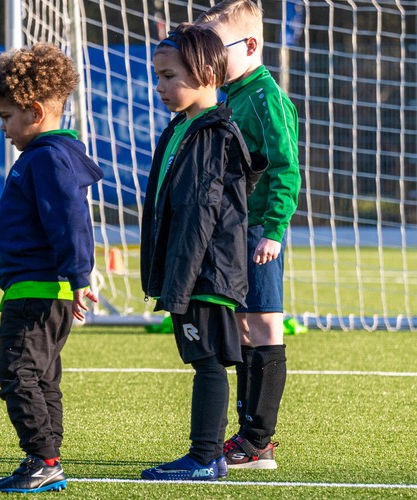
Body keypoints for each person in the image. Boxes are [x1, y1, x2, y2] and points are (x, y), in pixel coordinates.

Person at [0, 44, 102, 494]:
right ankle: (47, 457)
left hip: (38, 289)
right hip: (40, 288)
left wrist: (79, 277)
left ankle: (44, 458)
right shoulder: (45, 156)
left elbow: (69, 219)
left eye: (7, 117)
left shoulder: (48, 158)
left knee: (18, 373)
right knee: (42, 375)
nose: (4, 128)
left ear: (33, 111)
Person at [138, 23, 260, 482]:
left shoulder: (212, 132)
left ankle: (205, 457)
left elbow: (200, 213)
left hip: (205, 273)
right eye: (158, 76)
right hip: (193, 271)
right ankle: (207, 455)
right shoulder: (181, 129)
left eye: (170, 76)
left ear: (206, 73)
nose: (161, 86)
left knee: (208, 361)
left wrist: (180, 284)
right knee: (203, 360)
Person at [198, 0, 301, 469]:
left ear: (250, 45)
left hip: (259, 229)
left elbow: (285, 166)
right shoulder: (233, 96)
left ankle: (259, 443)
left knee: (264, 327)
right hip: (237, 230)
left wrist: (273, 229)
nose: (210, 59)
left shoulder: (263, 97)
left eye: (217, 48)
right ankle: (247, 436)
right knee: (242, 328)